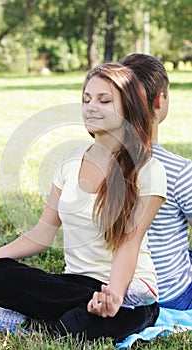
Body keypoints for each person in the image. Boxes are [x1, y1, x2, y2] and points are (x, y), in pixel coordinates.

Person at [0, 62, 167, 343]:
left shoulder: (148, 170)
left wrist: (115, 295)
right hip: (76, 284)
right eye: (86, 99)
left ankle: (35, 320)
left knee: (76, 327)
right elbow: (42, 233)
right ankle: (71, 310)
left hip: (126, 288)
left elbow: (129, 245)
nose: (91, 107)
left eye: (104, 100)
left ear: (128, 107)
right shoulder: (70, 161)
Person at [120, 53, 192, 310]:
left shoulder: (98, 165)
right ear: (160, 100)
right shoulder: (180, 170)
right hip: (170, 295)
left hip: (114, 289)